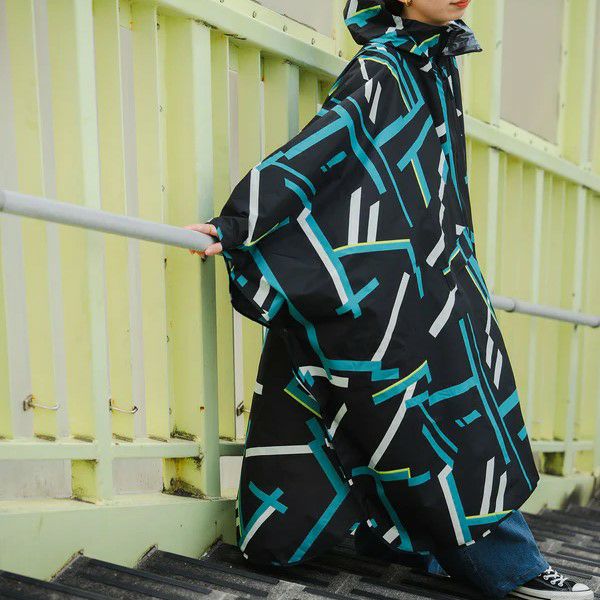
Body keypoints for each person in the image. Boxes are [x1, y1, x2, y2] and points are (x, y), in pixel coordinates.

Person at [184, 1, 593, 598]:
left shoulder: (434, 65)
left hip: (435, 274)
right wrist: (241, 222)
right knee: (444, 426)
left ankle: (408, 543)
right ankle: (513, 568)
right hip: (395, 282)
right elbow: (322, 147)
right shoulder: (383, 66)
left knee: (440, 413)